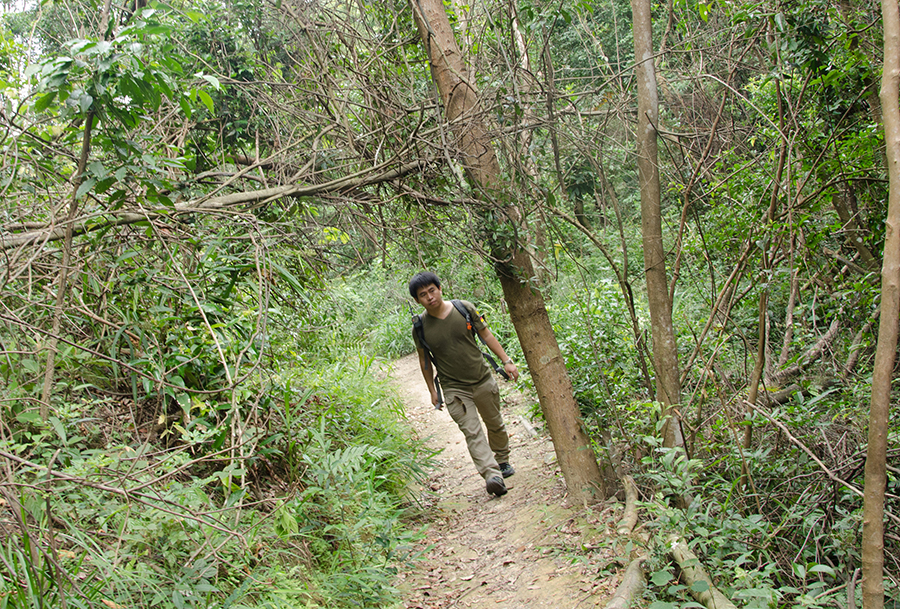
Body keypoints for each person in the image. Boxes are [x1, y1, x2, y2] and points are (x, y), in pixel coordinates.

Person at [409, 271, 519, 497]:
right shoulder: (420, 327)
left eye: (432, 290)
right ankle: (491, 475)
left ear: (440, 288)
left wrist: (506, 361)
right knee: (472, 431)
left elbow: (486, 335)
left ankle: (502, 460)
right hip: (453, 387)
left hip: (482, 378)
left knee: (494, 423)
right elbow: (424, 361)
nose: (429, 297)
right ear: (417, 300)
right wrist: (432, 390)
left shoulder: (464, 308)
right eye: (423, 294)